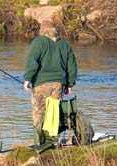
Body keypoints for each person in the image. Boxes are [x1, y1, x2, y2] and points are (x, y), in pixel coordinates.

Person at [23, 22, 78, 151]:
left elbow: (32, 61)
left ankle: (39, 142)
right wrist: (70, 83)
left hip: (41, 84)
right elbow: (72, 65)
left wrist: (27, 79)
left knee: (39, 111)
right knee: (53, 111)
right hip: (58, 84)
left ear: (43, 31)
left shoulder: (39, 42)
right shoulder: (65, 44)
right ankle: (51, 141)